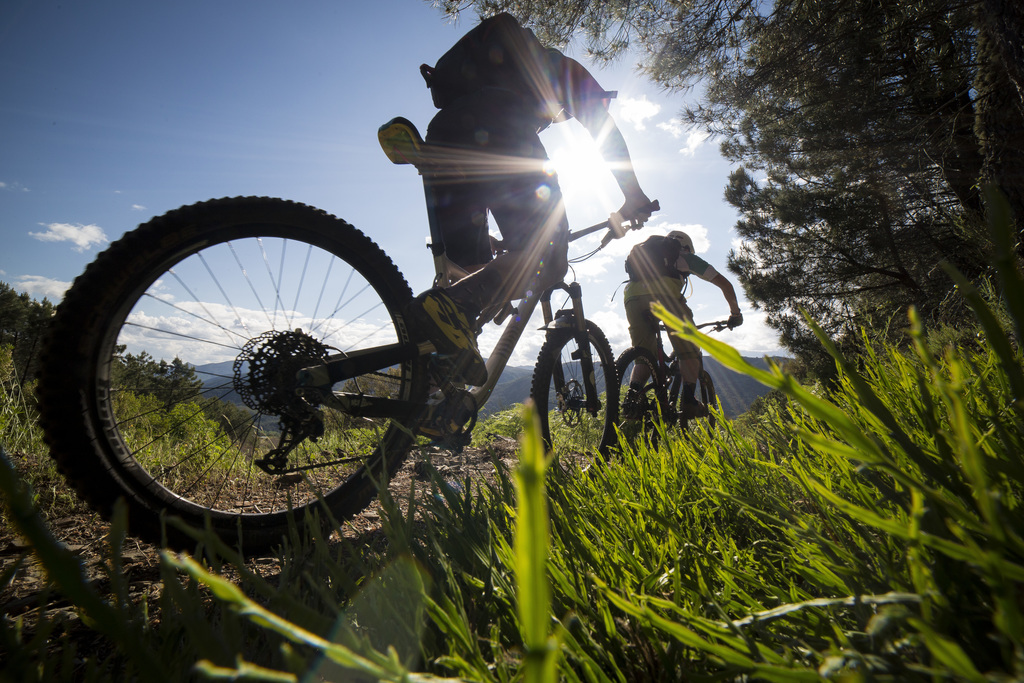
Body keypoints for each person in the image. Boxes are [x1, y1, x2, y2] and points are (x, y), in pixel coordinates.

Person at [407, 12, 654, 386]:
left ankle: (432, 391)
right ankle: (452, 306)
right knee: (549, 259)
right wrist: (633, 194)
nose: (564, 118)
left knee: (469, 271)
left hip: (442, 136)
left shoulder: (495, 72)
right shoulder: (563, 69)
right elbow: (604, 132)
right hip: (497, 124)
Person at [622, 230, 743, 421]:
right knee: (690, 349)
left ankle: (632, 397)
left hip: (632, 298)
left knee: (644, 354)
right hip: (665, 298)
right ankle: (689, 401)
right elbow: (725, 284)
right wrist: (735, 314)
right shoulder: (684, 256)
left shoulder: (650, 252)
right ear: (686, 247)